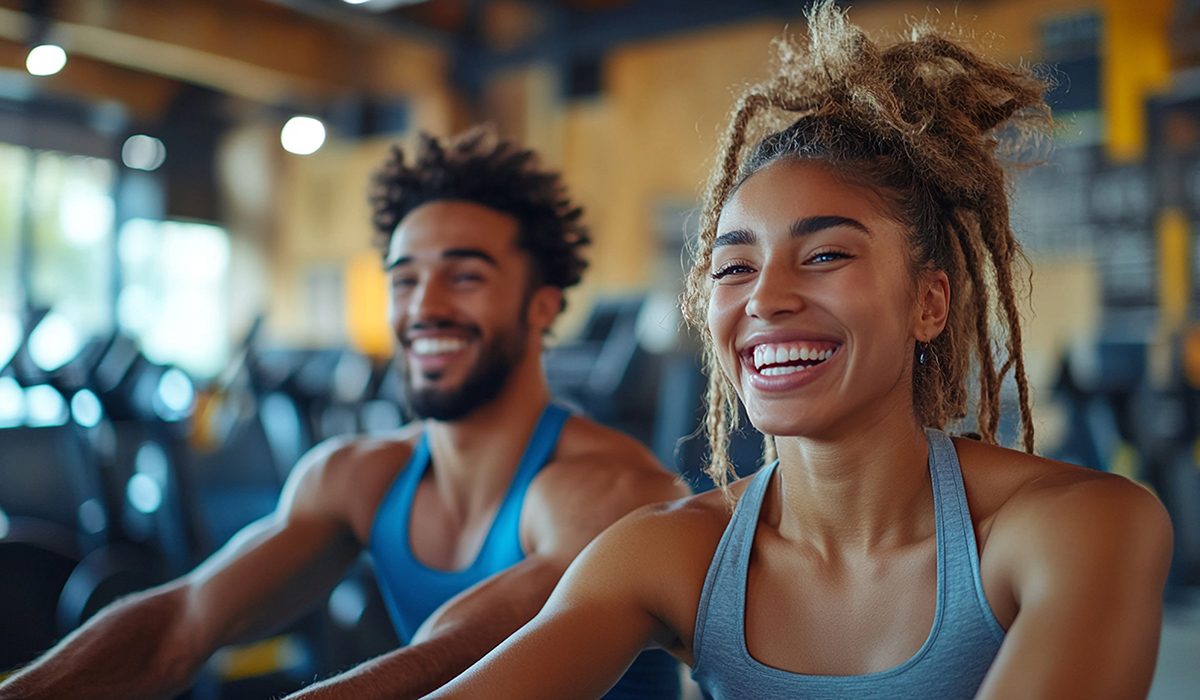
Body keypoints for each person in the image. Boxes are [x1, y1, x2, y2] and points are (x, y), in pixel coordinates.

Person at [427, 4, 1174, 698]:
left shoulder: (1081, 526)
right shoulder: (667, 554)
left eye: (824, 256)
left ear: (929, 303)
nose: (765, 298)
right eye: (734, 267)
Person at [0, 129, 689, 700]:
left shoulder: (613, 492)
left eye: (466, 275)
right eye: (406, 279)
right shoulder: (356, 476)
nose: (425, 306)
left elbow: (449, 661)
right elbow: (180, 624)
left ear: (542, 305)